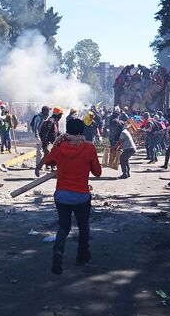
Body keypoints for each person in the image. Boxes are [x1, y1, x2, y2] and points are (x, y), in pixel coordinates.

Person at [44, 118, 102, 275]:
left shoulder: (60, 147)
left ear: (67, 131)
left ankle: (58, 251)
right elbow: (98, 172)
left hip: (62, 195)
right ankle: (82, 255)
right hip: (81, 196)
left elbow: (47, 161)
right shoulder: (89, 148)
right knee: (83, 226)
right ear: (82, 131)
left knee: (64, 227)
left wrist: (56, 144)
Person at [35, 107, 64, 177]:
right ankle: (38, 168)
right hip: (49, 143)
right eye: (60, 114)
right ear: (58, 114)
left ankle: (52, 170)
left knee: (54, 156)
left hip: (53, 142)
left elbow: (55, 131)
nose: (61, 116)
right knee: (47, 156)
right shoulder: (50, 121)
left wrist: (62, 135)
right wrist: (46, 144)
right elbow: (46, 133)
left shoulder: (55, 121)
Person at [31, 106, 50, 171]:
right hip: (39, 136)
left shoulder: (45, 117)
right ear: (45, 111)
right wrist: (37, 136)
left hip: (44, 136)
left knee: (45, 151)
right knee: (39, 151)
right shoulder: (39, 117)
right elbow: (35, 127)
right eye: (48, 111)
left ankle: (45, 164)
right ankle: (38, 165)